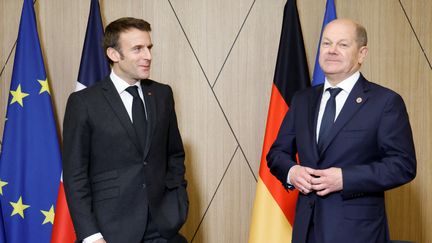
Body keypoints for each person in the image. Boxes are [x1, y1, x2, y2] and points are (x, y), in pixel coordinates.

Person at [267, 18, 416, 243]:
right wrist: (292, 172)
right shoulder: (302, 100)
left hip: (357, 233)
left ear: (362, 54)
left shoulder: (385, 102)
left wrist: (345, 178)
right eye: (326, 44)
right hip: (306, 230)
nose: (332, 51)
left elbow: (402, 165)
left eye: (343, 45)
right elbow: (277, 154)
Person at [63, 17, 188, 243]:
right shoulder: (83, 103)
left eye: (149, 48)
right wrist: (91, 236)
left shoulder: (162, 95)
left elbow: (174, 154)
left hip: (163, 228)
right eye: (137, 49)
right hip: (110, 232)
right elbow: (75, 175)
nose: (148, 56)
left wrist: (178, 202)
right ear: (114, 55)